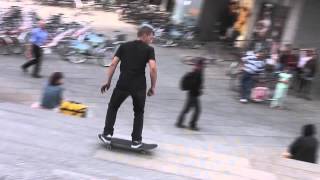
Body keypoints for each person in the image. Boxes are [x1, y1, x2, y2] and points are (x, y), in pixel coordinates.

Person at [99, 25, 157, 148]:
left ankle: (107, 134)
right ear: (145, 35)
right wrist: (153, 87)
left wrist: (107, 81)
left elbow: (113, 63)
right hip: (139, 86)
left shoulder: (124, 46)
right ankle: (136, 141)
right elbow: (153, 68)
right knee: (139, 112)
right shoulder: (149, 50)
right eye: (151, 37)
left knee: (113, 107)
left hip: (123, 83)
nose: (152, 39)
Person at [176, 59, 204, 131]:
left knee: (186, 109)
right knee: (197, 110)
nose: (203, 66)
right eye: (202, 65)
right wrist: (198, 91)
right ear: (199, 65)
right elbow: (195, 84)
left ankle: (179, 122)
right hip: (193, 95)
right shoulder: (197, 73)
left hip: (192, 94)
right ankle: (192, 125)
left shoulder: (198, 72)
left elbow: (198, 84)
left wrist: (199, 89)